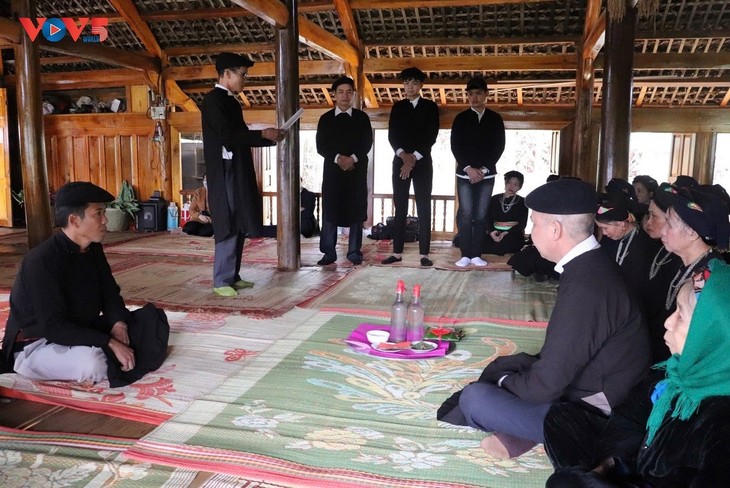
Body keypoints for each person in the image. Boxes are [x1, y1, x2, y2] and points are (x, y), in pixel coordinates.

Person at [437, 179, 649, 460]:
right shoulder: (590, 265)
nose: (531, 233)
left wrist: (501, 382)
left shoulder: (587, 284)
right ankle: (524, 433)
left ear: (555, 229)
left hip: (597, 409)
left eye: (534, 224)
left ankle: (556, 435)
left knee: (475, 398)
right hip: (596, 380)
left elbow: (545, 385)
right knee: (515, 364)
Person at [544, 259, 730, 488]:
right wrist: (607, 466)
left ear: (713, 335)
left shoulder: (721, 422)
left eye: (681, 316)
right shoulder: (674, 372)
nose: (669, 323)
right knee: (561, 419)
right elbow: (628, 416)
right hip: (633, 465)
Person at [0, 182, 169, 387]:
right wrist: (109, 342)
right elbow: (53, 327)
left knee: (152, 320)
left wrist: (118, 325)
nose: (105, 219)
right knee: (94, 363)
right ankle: (109, 355)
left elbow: (110, 294)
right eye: (98, 213)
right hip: (39, 344)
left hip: (80, 328)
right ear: (74, 220)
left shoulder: (92, 249)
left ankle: (113, 352)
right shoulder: (41, 261)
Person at [202, 52, 285, 297]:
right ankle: (221, 280)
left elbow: (240, 137)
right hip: (225, 170)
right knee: (227, 222)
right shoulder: (213, 101)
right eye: (242, 74)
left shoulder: (231, 101)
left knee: (239, 221)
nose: (244, 79)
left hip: (236, 169)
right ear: (226, 73)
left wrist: (270, 139)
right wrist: (263, 135)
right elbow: (229, 137)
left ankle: (233, 275)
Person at [381, 67, 439, 267]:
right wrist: (404, 157)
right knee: (400, 206)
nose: (410, 87)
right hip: (400, 162)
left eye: (414, 83)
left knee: (423, 206)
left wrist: (413, 158)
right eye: (406, 83)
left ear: (421, 85)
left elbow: (431, 136)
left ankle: (424, 253)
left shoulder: (430, 107)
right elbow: (392, 136)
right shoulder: (398, 107)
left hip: (423, 163)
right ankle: (396, 252)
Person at [315, 76, 373, 266]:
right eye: (341, 92)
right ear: (335, 95)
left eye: (349, 92)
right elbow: (321, 146)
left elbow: (366, 143)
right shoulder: (325, 119)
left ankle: (354, 251)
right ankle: (328, 252)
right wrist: (339, 159)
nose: (345, 96)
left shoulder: (362, 118)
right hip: (333, 173)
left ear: (353, 94)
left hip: (356, 171)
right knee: (330, 211)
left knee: (356, 210)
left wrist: (352, 159)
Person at [450, 76, 505, 267]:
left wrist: (482, 169)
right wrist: (468, 168)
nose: (474, 97)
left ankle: (476, 254)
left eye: (478, 93)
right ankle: (465, 254)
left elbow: (499, 147)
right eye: (471, 94)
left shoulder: (495, 119)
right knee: (465, 213)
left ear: (486, 95)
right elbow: (455, 146)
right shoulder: (461, 118)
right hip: (464, 174)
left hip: (487, 174)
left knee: (481, 214)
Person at [595, 194, 659, 294]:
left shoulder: (643, 246)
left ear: (622, 224)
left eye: (605, 228)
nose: (603, 233)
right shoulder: (614, 239)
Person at [483, 170, 528, 256]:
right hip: (495, 232)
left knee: (505, 245)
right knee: (479, 243)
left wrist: (506, 233)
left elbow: (522, 224)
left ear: (520, 187)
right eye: (509, 183)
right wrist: (491, 232)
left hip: (512, 234)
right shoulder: (494, 199)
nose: (511, 186)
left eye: (515, 184)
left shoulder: (522, 202)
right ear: (505, 183)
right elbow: (488, 218)